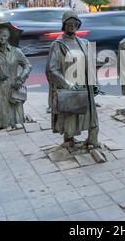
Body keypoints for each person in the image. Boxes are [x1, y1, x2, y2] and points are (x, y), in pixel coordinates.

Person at [46, 10, 100, 148]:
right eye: (69, 23)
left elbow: (91, 65)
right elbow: (52, 69)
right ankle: (69, 139)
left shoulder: (84, 42)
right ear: (63, 25)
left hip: (85, 85)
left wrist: (94, 83)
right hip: (69, 86)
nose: (72, 25)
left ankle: (92, 140)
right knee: (70, 114)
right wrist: (67, 84)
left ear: (78, 25)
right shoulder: (57, 45)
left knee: (91, 114)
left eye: (75, 23)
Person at [0, 27, 32, 129]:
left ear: (9, 37)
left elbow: (28, 66)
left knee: (15, 111)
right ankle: (1, 125)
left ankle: (16, 124)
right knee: (1, 111)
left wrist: (21, 78)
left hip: (14, 86)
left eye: (4, 35)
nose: (2, 38)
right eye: (0, 35)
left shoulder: (16, 51)